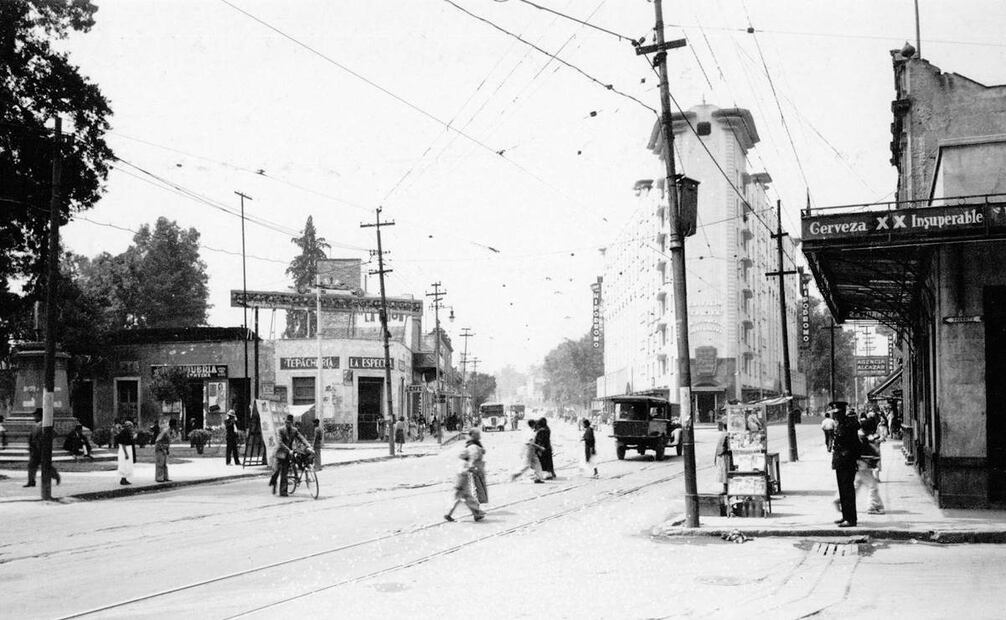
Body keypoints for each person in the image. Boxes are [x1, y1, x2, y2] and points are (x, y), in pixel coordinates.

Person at [829, 401, 861, 527]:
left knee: (848, 490)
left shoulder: (849, 424)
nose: (835, 416)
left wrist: (851, 457)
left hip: (847, 461)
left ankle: (851, 519)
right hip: (840, 461)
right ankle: (845, 516)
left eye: (837, 413)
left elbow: (854, 444)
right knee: (842, 490)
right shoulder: (840, 424)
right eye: (834, 414)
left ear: (842, 412)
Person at [270, 414, 311, 497]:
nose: (288, 424)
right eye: (286, 422)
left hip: (288, 454)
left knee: (284, 473)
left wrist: (308, 445)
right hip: (280, 452)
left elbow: (301, 438)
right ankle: (274, 483)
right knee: (276, 471)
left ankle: (283, 491)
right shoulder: (280, 430)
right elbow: (280, 442)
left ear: (292, 423)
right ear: (285, 422)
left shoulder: (294, 430)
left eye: (289, 422)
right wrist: (289, 450)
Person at [445, 447, 485, 522]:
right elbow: (462, 471)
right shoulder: (464, 463)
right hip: (461, 485)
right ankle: (476, 515)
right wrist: (469, 470)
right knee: (469, 501)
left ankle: (476, 515)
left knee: (465, 501)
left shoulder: (464, 463)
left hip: (461, 485)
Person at [25, 408, 60, 487]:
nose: (34, 417)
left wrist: (46, 442)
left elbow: (54, 434)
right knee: (31, 465)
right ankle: (31, 481)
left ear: (40, 416)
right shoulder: (36, 425)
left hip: (42, 449)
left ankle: (56, 476)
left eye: (35, 416)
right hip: (34, 449)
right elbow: (32, 436)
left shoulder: (45, 424)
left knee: (45, 465)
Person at [467, 429, 488, 504]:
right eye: (478, 434)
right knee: (476, 489)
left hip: (478, 469)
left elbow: (483, 451)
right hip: (475, 469)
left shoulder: (477, 443)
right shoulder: (472, 445)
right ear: (473, 435)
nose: (479, 436)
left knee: (478, 489)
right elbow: (473, 457)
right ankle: (476, 509)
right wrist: (473, 468)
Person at [116, 420, 136, 486]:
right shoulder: (124, 432)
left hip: (128, 449)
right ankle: (123, 478)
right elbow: (123, 443)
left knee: (127, 464)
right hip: (125, 449)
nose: (131, 428)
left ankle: (125, 478)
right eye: (131, 426)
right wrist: (126, 453)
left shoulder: (127, 432)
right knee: (124, 464)